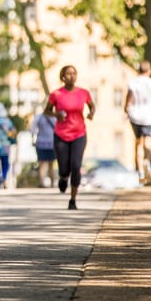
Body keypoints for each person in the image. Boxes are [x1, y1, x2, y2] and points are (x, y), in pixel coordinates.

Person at [43, 65, 95, 210]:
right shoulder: (56, 95)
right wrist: (56, 115)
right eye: (69, 73)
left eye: (74, 73)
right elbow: (46, 111)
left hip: (79, 133)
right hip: (61, 134)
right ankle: (63, 178)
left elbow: (92, 106)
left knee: (76, 166)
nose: (72, 76)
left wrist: (91, 114)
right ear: (63, 77)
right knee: (64, 167)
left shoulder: (84, 93)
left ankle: (73, 199)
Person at [124, 60, 151, 183]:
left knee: (138, 144)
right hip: (149, 117)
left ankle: (141, 173)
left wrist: (126, 110)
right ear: (149, 71)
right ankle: (147, 162)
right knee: (148, 143)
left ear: (139, 70)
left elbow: (129, 100)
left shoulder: (133, 83)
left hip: (135, 117)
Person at [30, 110, 57, 187]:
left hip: (41, 142)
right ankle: (52, 183)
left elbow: (32, 129)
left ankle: (42, 182)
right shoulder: (54, 117)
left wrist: (33, 139)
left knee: (42, 163)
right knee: (51, 164)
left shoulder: (39, 117)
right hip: (52, 143)